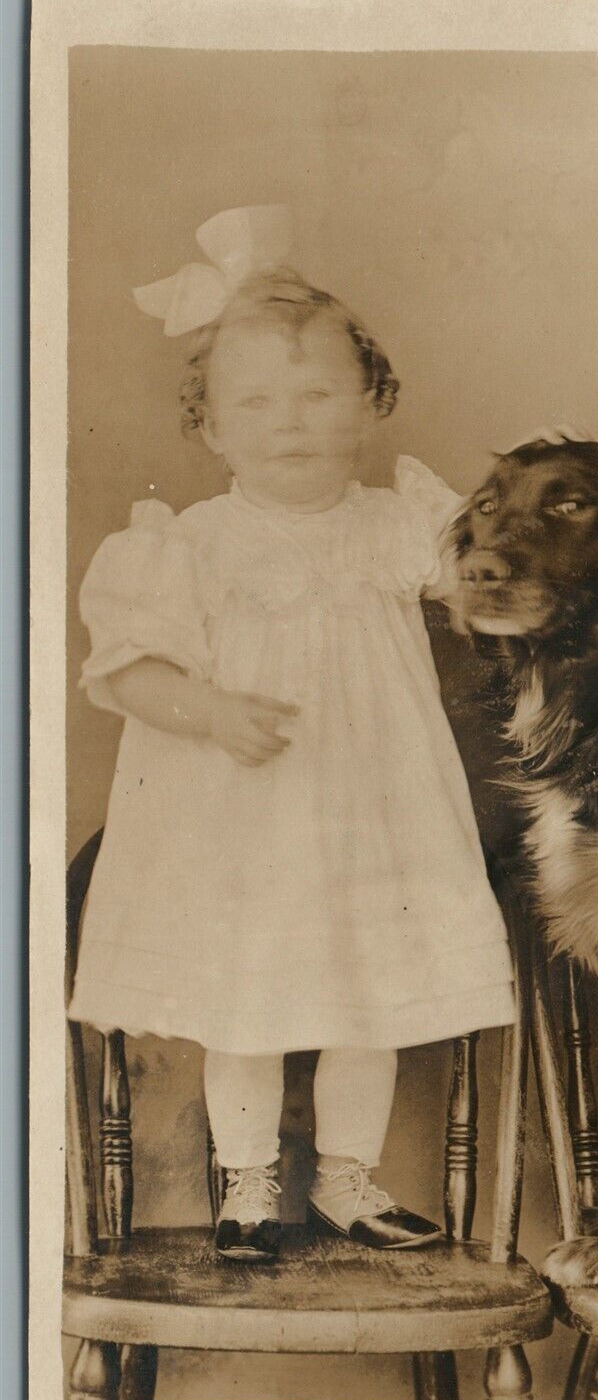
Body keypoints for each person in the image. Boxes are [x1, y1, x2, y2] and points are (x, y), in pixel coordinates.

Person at [70, 206, 516, 1263]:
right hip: (243, 826)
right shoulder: (190, 546)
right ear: (212, 428)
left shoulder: (395, 524)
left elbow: (485, 583)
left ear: (371, 403)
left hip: (374, 816)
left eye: (318, 396)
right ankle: (247, 1179)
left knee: (368, 998)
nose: (290, 423)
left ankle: (347, 1178)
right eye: (256, 402)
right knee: (246, 1000)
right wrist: (211, 711)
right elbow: (127, 669)